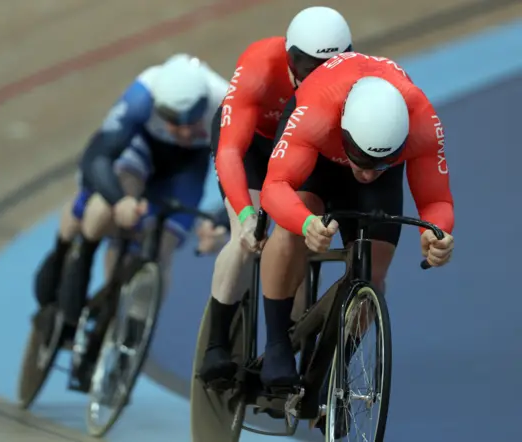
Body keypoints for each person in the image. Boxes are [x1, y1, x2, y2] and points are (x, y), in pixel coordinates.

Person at [258, 51, 455, 389]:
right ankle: (276, 342)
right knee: (291, 230)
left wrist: (438, 234)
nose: (365, 174)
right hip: (318, 154)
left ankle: (336, 368)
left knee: (373, 274)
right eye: (361, 161)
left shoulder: (422, 121)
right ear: (345, 133)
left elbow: (436, 200)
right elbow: (274, 187)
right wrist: (306, 223)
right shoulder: (317, 114)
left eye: (377, 163)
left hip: (366, 155)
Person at [197, 6, 353, 384]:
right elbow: (231, 150)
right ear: (288, 61)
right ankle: (216, 344)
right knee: (245, 240)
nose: (316, 79)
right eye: (306, 68)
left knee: (294, 239)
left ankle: (286, 342)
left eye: (327, 68)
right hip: (254, 147)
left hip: (304, 148)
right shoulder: (260, 65)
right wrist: (248, 217)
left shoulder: (355, 77)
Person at [32, 53, 230, 340]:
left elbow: (248, 174)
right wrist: (119, 200)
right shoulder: (142, 96)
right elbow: (96, 156)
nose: (185, 129)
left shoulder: (226, 106)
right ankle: (74, 253)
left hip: (187, 167)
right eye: (174, 120)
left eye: (192, 118)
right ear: (159, 107)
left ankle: (130, 333)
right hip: (141, 150)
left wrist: (220, 223)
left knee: (163, 248)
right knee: (100, 210)